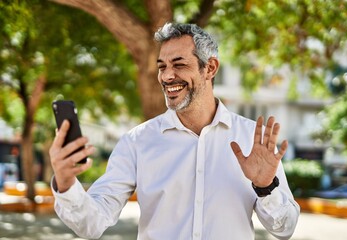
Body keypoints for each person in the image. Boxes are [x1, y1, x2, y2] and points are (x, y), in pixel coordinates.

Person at [49, 22, 300, 240]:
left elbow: (285, 229)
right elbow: (92, 223)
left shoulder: (251, 140)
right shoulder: (138, 141)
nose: (167, 76)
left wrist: (266, 186)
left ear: (210, 68)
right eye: (162, 66)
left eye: (179, 65)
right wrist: (67, 184)